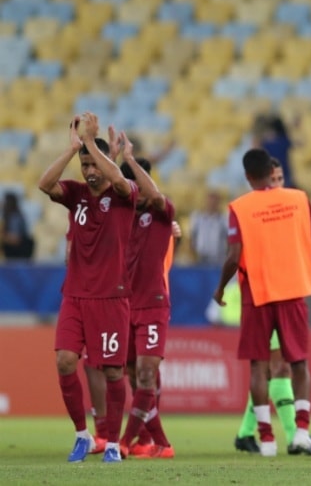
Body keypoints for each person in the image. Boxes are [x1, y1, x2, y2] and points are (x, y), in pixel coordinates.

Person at [212, 148, 311, 458]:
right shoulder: (298, 199)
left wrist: (220, 288)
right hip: (293, 292)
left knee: (259, 367)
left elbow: (234, 257)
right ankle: (301, 433)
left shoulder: (240, 207)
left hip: (258, 295)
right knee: (298, 363)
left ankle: (266, 440)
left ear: (249, 177)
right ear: (271, 173)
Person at [38, 112, 138, 463]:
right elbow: (43, 183)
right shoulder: (76, 194)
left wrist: (96, 148)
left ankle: (112, 443)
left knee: (112, 370)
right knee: (65, 361)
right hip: (75, 296)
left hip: (111, 298)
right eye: (85, 165)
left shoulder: (126, 195)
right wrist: (72, 150)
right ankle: (83, 436)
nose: (89, 171)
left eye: (93, 164)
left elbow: (118, 178)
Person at [230, 157, 298, 455]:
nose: (277, 184)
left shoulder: (292, 208)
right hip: (265, 295)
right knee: (279, 367)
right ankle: (296, 436)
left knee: (272, 370)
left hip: (288, 291)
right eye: (274, 179)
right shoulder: (256, 212)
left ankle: (246, 433)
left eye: (282, 179)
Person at [116, 133, 176, 459]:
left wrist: (128, 160)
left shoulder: (162, 213)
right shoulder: (121, 218)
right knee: (130, 373)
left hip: (153, 304)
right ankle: (162, 443)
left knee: (145, 373)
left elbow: (153, 194)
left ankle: (126, 442)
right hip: (125, 306)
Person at [189, 189, 227, 264]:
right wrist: (193, 255)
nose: (212, 204)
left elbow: (228, 239)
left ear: (218, 203)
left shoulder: (223, 220)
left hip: (218, 257)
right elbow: (192, 236)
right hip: (200, 256)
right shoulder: (197, 218)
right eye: (210, 201)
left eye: (214, 202)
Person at [1, 191, 34, 260]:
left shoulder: (15, 217)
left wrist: (2, 237)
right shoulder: (8, 216)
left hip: (19, 253)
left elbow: (15, 240)